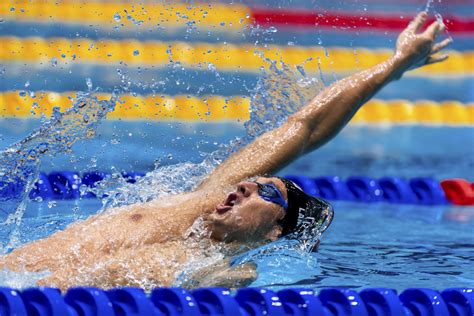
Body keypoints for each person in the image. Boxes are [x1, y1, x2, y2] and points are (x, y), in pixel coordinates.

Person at [0, 12, 451, 290]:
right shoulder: (195, 204)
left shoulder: (223, 270)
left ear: (276, 232)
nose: (245, 185)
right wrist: (392, 68)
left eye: (266, 194)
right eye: (251, 182)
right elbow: (304, 127)